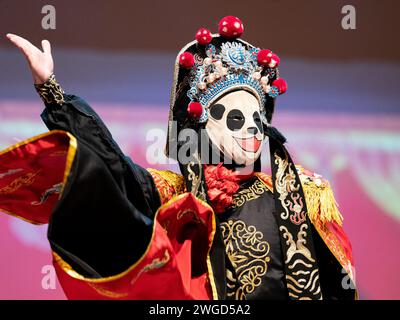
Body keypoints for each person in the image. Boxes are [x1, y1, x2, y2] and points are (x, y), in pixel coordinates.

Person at [0, 16, 356, 300]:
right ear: (202, 126)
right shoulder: (177, 195)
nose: (251, 129)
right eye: (235, 118)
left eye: (257, 119)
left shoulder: (304, 194)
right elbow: (112, 165)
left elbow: (338, 286)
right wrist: (53, 92)